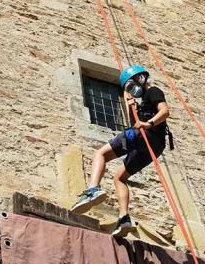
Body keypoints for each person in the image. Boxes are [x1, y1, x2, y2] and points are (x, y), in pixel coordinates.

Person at [70, 65, 170, 237]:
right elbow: (135, 122)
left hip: (143, 135)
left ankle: (92, 189)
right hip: (152, 145)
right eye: (129, 88)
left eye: (132, 85)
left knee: (100, 154)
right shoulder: (143, 101)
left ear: (140, 78)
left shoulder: (153, 91)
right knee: (119, 178)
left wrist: (149, 123)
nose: (133, 90)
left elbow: (165, 111)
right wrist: (129, 104)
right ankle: (124, 218)